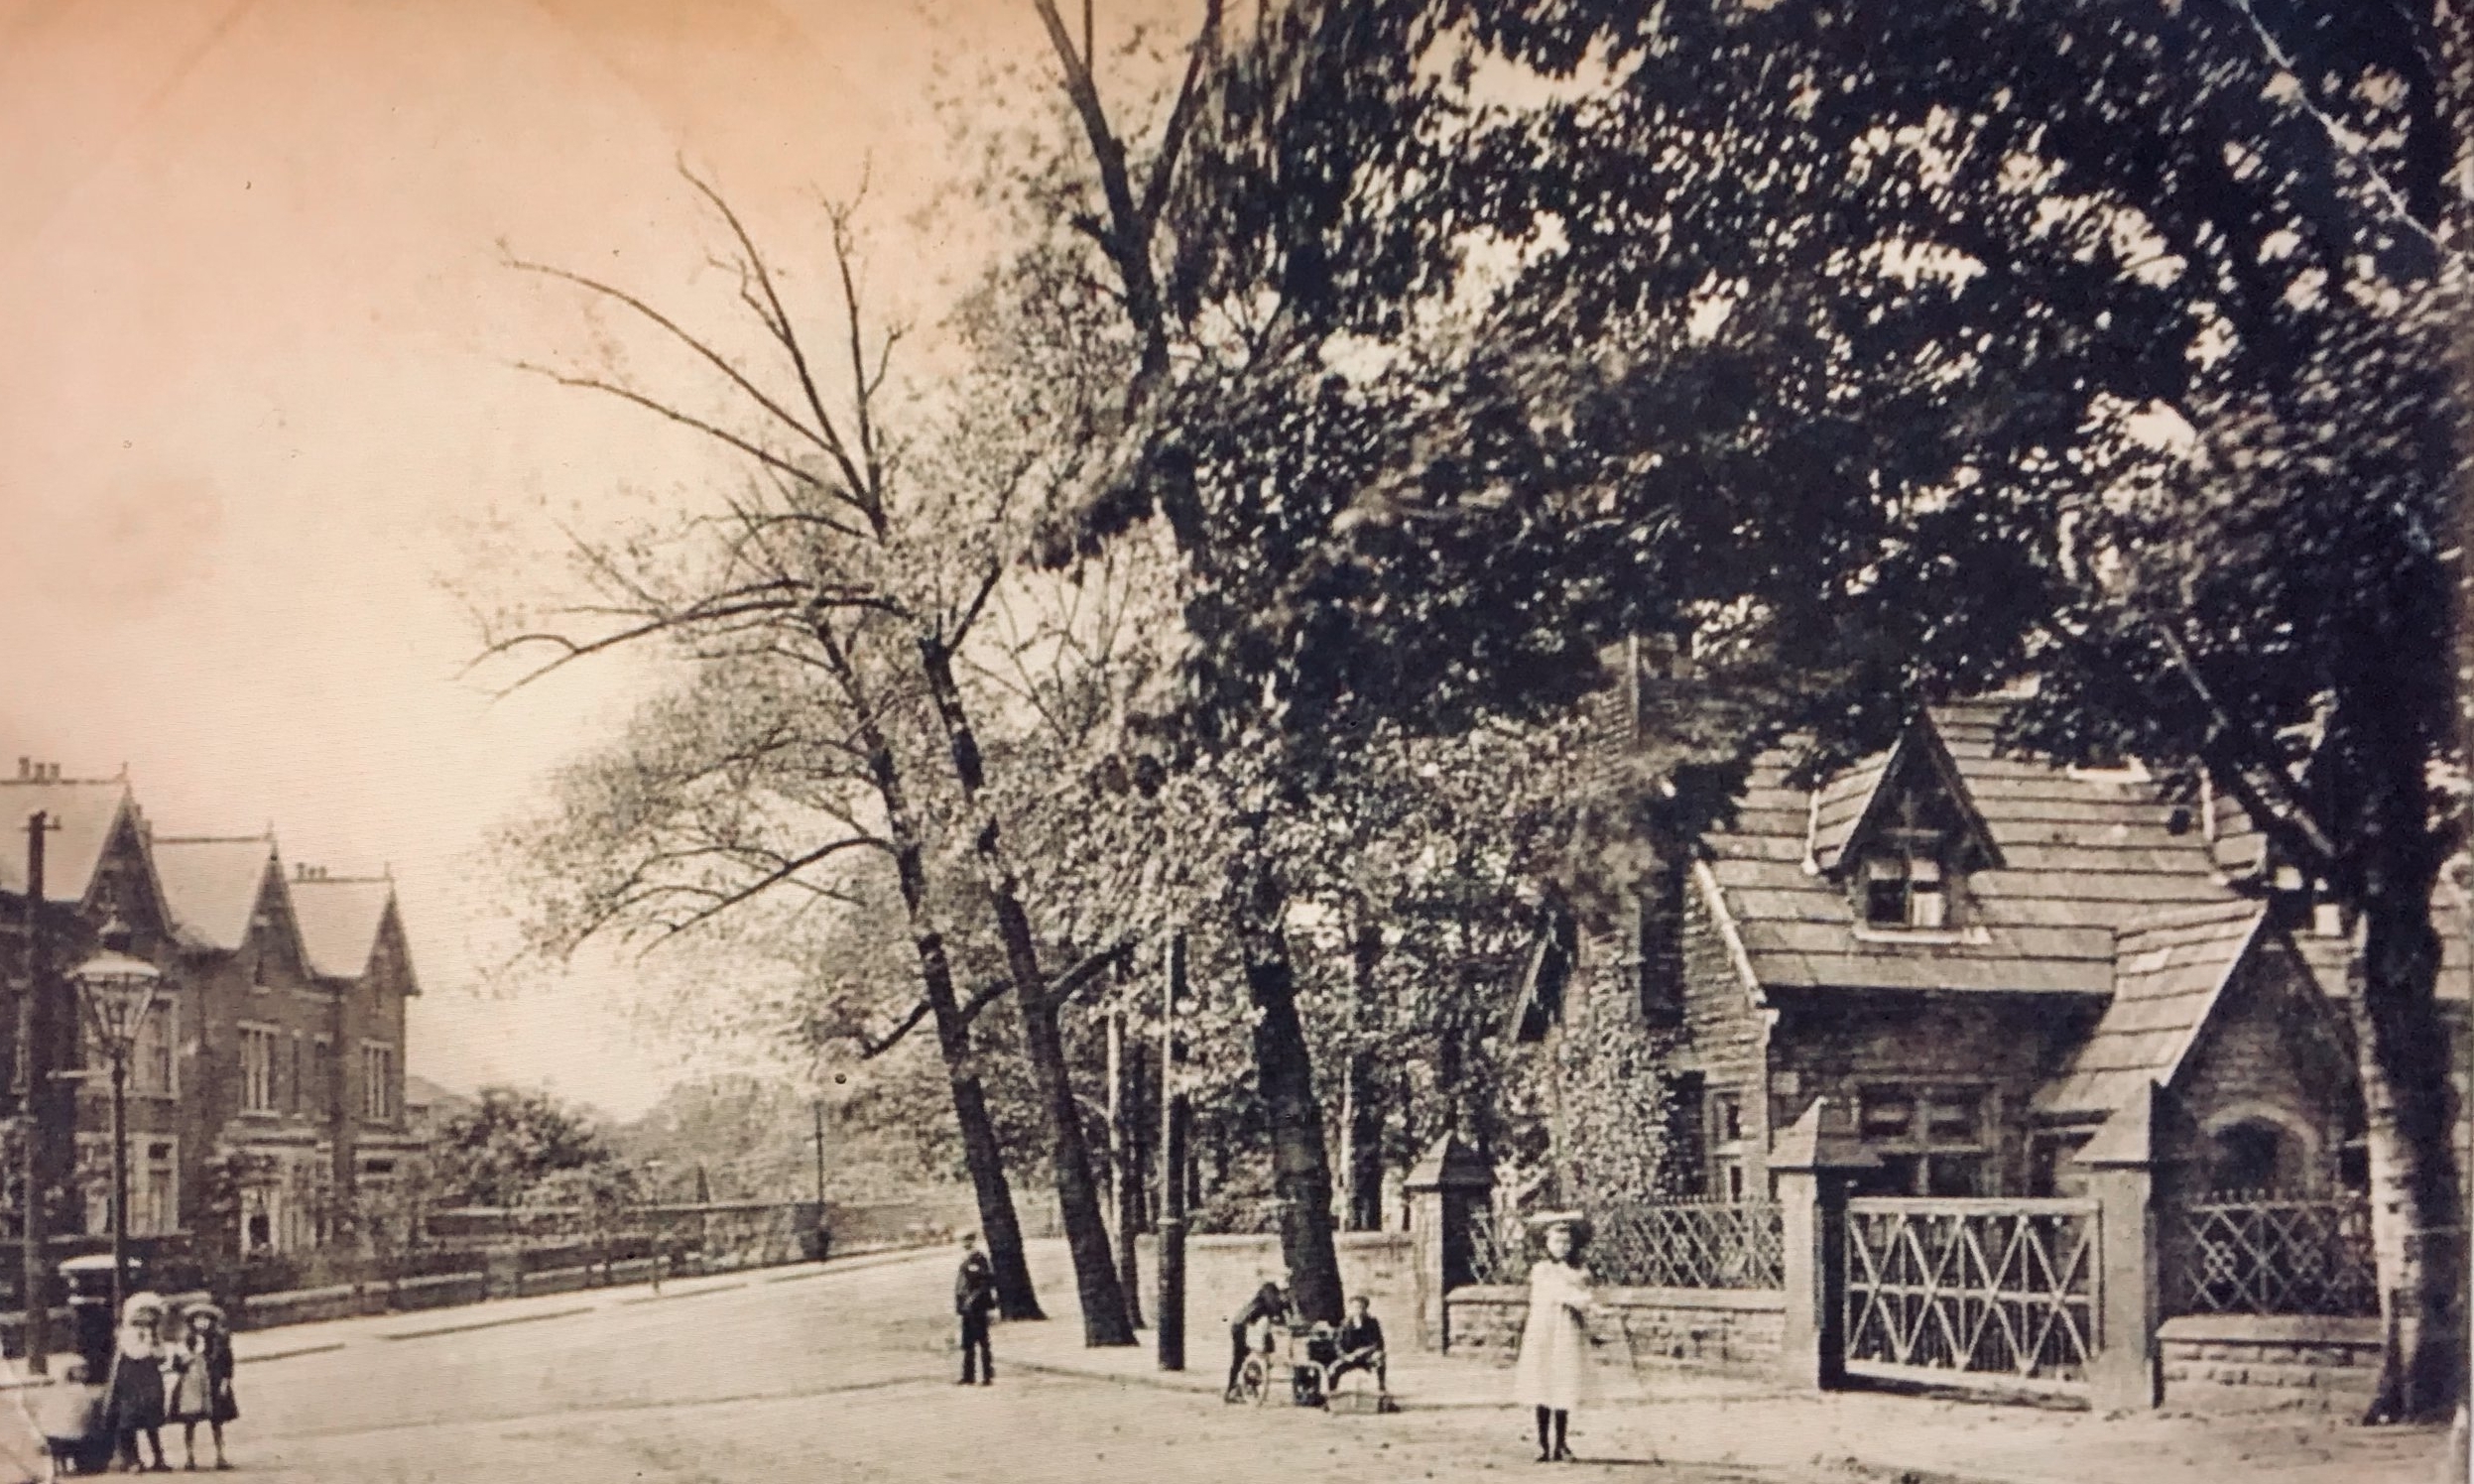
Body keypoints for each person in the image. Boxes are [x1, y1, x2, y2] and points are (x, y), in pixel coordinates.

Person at [1511, 1213, 1593, 1463]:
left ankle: (1562, 1443)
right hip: (1544, 1331)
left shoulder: (1580, 1271)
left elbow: (1586, 1294)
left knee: (1563, 1385)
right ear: (1547, 1244)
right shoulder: (1541, 1270)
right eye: (1556, 1242)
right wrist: (1584, 1301)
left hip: (1567, 1332)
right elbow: (1562, 1294)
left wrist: (1590, 1303)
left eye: (1566, 1242)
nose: (1562, 1247)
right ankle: (1543, 1444)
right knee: (1542, 1384)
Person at [102, 1293, 170, 1474]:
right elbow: (135, 1353)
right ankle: (132, 1459)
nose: (146, 1318)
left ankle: (158, 1457)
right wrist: (148, 1343)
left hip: (150, 1378)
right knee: (128, 1421)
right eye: (142, 1314)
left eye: (150, 1314)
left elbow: (162, 1357)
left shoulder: (154, 1334)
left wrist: (155, 1342)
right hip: (130, 1379)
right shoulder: (127, 1333)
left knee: (152, 1419)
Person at [164, 1302, 237, 1471]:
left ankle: (220, 1455)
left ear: (211, 1321)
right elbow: (176, 1366)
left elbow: (228, 1363)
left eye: (205, 1319)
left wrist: (225, 1382)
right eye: (197, 1320)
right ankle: (190, 1457)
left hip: (214, 1382)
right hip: (191, 1385)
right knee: (190, 1421)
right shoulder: (185, 1342)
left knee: (217, 1420)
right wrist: (189, 1357)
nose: (201, 1323)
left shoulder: (220, 1340)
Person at [34, 1360, 101, 1480]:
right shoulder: (81, 1391)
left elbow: (42, 1413)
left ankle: (58, 1467)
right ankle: (78, 1464)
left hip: (52, 1436)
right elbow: (87, 1414)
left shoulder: (53, 1390)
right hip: (73, 1437)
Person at [1223, 1281, 1288, 1402]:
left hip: (1249, 1325)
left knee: (1263, 1353)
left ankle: (1245, 1386)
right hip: (1242, 1325)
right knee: (1240, 1358)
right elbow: (1274, 1308)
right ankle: (1233, 1389)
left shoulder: (1271, 1292)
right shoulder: (1269, 1290)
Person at [953, 1232, 997, 1386]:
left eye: (967, 1240)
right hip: (967, 1307)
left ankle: (987, 1375)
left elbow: (986, 1282)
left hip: (978, 1306)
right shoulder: (966, 1259)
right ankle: (968, 1375)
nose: (964, 1243)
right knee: (968, 1341)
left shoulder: (979, 1258)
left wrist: (973, 1298)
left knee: (982, 1340)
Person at [1330, 1295, 1388, 1394]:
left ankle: (1381, 1388)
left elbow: (1378, 1343)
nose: (1358, 1310)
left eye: (1361, 1307)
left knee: (1379, 1358)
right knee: (1334, 1369)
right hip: (1349, 1357)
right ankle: (1332, 1394)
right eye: (1355, 1307)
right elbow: (1338, 1344)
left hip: (1367, 1357)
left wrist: (1365, 1351)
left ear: (1365, 1309)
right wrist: (1345, 1356)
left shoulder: (1372, 1323)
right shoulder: (1345, 1324)